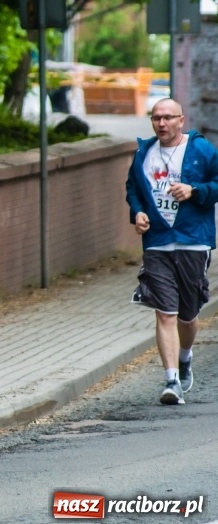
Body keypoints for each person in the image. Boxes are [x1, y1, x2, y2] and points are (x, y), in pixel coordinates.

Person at [126, 98, 218, 405]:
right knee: (166, 312)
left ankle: (185, 355)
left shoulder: (202, 151)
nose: (161, 124)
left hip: (193, 239)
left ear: (181, 120)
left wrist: (195, 191)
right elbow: (133, 189)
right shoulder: (144, 153)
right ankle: (171, 381)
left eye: (167, 118)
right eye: (156, 118)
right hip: (157, 242)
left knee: (188, 313)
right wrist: (138, 212)